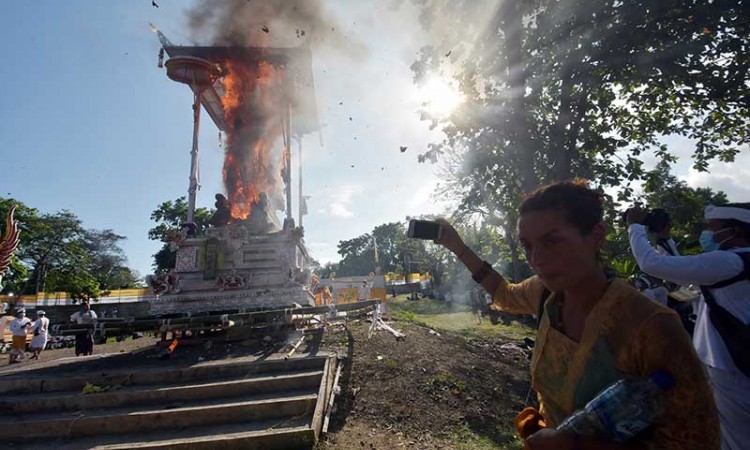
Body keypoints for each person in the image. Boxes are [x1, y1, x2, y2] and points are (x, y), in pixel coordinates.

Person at [436, 180, 719, 450]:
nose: (536, 260)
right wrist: (457, 246)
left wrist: (576, 445)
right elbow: (505, 295)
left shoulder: (649, 326)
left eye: (551, 242)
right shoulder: (546, 294)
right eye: (527, 245)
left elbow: (695, 441)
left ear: (596, 236)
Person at [628, 203, 750, 450]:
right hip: (733, 364)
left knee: (735, 441)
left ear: (734, 231)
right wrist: (664, 239)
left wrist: (635, 226)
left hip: (732, 370)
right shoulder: (738, 262)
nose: (707, 234)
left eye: (712, 229)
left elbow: (652, 264)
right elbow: (683, 273)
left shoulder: (730, 262)